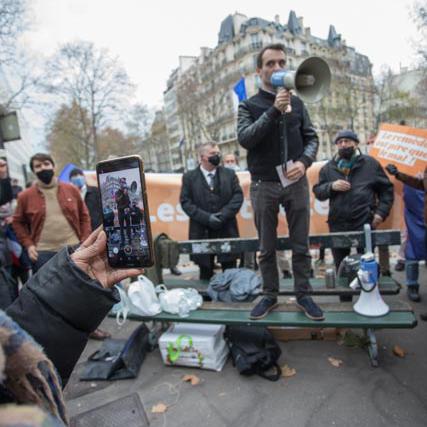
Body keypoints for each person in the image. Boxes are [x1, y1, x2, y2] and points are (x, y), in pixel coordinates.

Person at [1, 227, 144, 425]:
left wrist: (71, 282)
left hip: (72, 253)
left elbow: (12, 379)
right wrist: (30, 244)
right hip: (44, 252)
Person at [237, 43, 322, 320]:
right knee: (266, 247)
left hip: (295, 182)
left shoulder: (298, 103)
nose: (277, 68)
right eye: (270, 63)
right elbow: (246, 138)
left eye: (282, 63)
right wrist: (274, 110)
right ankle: (269, 295)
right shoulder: (248, 105)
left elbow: (311, 138)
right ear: (259, 70)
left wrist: (304, 162)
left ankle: (304, 295)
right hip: (264, 184)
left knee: (301, 244)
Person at [313, 130, 394, 273]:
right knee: (341, 269)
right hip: (338, 224)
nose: (343, 145)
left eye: (347, 141)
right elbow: (319, 192)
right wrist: (331, 186)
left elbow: (387, 190)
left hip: (364, 222)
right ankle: (345, 289)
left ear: (356, 144)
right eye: (340, 142)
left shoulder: (370, 164)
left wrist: (380, 213)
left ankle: (367, 287)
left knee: (366, 268)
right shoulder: (328, 168)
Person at [12, 153, 91, 273]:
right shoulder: (25, 196)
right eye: (38, 166)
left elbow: (84, 216)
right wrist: (29, 244)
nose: (43, 168)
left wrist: (84, 241)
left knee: (78, 284)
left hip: (73, 249)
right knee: (47, 285)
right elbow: (17, 222)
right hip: (43, 254)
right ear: (34, 171)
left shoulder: (71, 190)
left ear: (53, 167)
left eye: (46, 164)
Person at [180, 142, 243, 280]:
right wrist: (207, 218)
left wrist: (223, 215)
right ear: (202, 157)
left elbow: (237, 197)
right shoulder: (189, 177)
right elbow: (186, 202)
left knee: (230, 273)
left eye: (218, 153)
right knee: (205, 273)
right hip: (201, 231)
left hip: (226, 229)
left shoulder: (229, 174)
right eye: (213, 154)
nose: (217, 156)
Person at [69, 167, 110, 340]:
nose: (77, 179)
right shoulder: (70, 195)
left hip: (99, 236)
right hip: (80, 242)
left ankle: (111, 304)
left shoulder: (95, 192)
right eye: (74, 177)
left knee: (105, 273)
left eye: (79, 176)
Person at [386, 164, 426, 310]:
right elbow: (417, 183)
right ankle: (412, 285)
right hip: (420, 214)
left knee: (413, 250)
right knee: (413, 250)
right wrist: (398, 174)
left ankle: (412, 285)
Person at [115, 177, 132, 246]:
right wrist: (123, 195)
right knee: (121, 228)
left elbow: (128, 202)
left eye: (124, 182)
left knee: (128, 227)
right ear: (120, 183)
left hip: (126, 212)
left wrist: (129, 208)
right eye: (122, 182)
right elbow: (117, 200)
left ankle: (130, 240)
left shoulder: (126, 192)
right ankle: (123, 241)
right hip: (121, 212)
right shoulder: (117, 192)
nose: (124, 183)